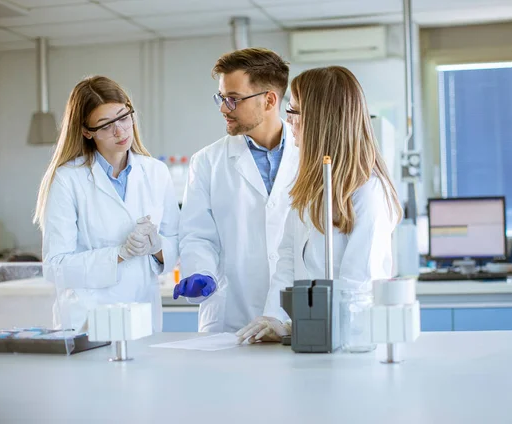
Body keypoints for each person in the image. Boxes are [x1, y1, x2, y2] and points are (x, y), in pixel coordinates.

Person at [236, 66, 403, 343]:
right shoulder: (311, 187)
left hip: (349, 345)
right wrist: (274, 321)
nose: (288, 122)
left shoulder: (367, 191)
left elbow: (356, 293)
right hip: (311, 340)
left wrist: (294, 328)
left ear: (320, 119)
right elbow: (288, 260)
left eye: (294, 112)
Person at [34, 76, 180, 332]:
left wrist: (157, 247)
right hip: (87, 320)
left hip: (143, 314)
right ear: (86, 131)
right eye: (105, 125)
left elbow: (176, 242)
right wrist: (119, 254)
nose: (121, 131)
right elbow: (55, 267)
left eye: (124, 117)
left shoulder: (156, 172)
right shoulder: (68, 179)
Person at [174, 48, 298, 333]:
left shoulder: (310, 156)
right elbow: (197, 235)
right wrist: (201, 272)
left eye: (233, 99)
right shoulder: (207, 162)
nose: (223, 108)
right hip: (230, 318)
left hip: (294, 317)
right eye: (221, 97)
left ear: (269, 100)